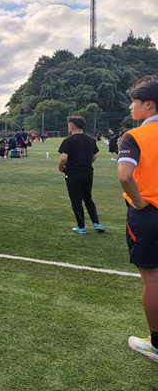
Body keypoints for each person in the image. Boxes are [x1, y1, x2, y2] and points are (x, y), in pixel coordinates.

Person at [117, 75, 158, 363]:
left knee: (152, 280)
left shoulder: (134, 135)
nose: (131, 106)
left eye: (134, 101)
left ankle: (156, 343)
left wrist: (141, 205)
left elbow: (124, 176)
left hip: (148, 214)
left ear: (149, 104)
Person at [57, 116, 105, 234]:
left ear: (71, 126)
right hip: (87, 173)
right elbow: (94, 156)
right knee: (87, 198)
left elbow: (63, 158)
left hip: (73, 174)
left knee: (76, 200)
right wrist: (86, 164)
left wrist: (60, 168)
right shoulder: (90, 139)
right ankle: (96, 223)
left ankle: (81, 226)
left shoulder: (68, 141)